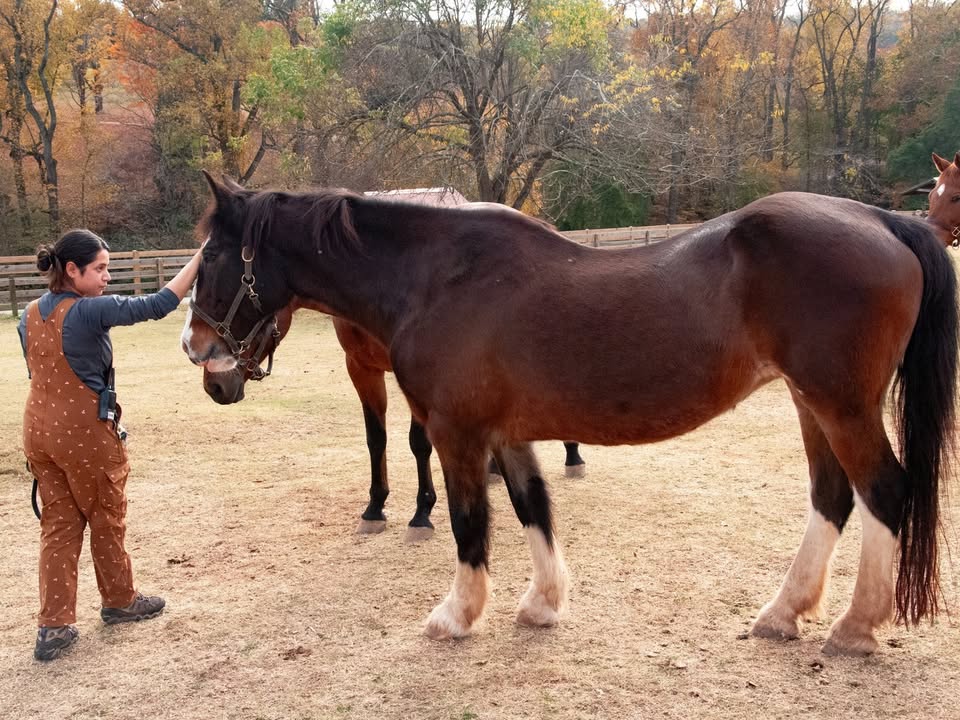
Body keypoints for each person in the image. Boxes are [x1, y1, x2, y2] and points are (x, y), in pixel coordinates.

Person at [18, 229, 203, 662]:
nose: (106, 277)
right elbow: (159, 303)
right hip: (82, 431)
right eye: (100, 269)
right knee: (106, 514)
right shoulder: (88, 312)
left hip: (38, 431)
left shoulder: (28, 314)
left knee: (59, 526)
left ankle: (54, 626)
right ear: (71, 270)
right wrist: (199, 257)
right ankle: (120, 600)